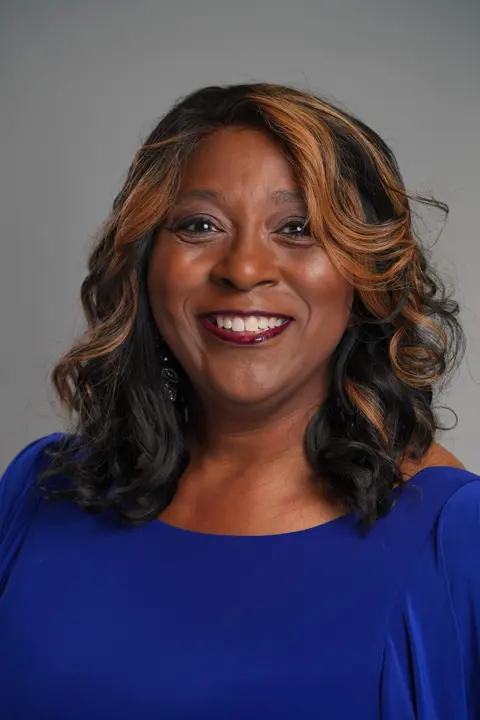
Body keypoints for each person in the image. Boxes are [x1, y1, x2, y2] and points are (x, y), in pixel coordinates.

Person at [0, 83, 478, 719]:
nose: (245, 268)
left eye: (298, 228)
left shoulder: (453, 535)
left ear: (366, 274)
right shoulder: (39, 491)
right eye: (200, 225)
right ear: (144, 262)